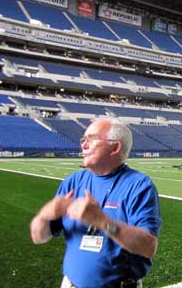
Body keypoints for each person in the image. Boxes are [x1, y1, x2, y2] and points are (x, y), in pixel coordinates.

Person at [30, 117, 162, 288]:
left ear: (115, 147)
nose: (83, 145)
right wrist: (44, 216)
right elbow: (38, 237)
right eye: (83, 140)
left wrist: (102, 221)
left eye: (90, 140)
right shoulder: (73, 182)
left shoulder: (139, 185)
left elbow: (148, 247)